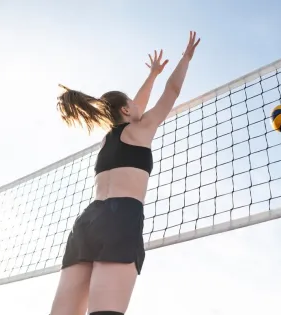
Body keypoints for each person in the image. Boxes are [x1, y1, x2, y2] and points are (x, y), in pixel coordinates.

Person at [50, 31, 201, 315]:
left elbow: (136, 105)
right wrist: (186, 58)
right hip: (120, 218)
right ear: (125, 109)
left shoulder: (108, 138)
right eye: (133, 103)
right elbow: (172, 93)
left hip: (87, 221)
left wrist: (152, 75)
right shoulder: (139, 130)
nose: (139, 105)